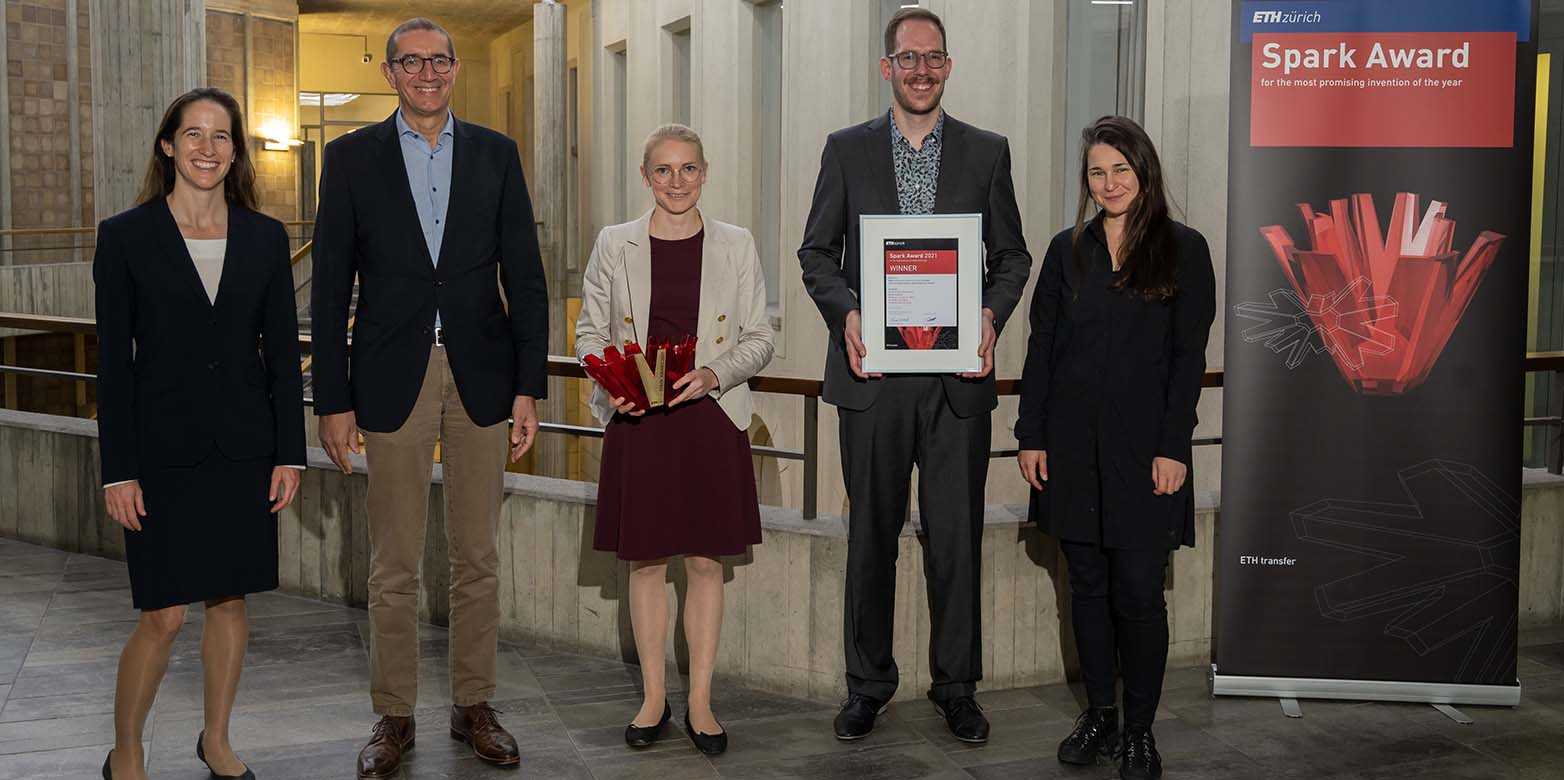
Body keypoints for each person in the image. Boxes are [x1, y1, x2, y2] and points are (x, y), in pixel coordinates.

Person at [308, 17, 548, 778]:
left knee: (477, 555)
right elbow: (330, 284)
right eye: (411, 62)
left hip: (482, 371)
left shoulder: (499, 155)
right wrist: (331, 399)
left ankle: (475, 704)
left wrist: (528, 386)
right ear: (389, 73)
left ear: (454, 69)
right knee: (393, 561)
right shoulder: (350, 159)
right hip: (389, 375)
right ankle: (395, 715)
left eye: (439, 60)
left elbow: (529, 278)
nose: (427, 73)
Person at [797, 7, 1031, 744]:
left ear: (948, 67)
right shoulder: (846, 149)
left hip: (958, 379)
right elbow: (816, 254)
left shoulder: (987, 152)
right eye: (907, 58)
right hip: (873, 377)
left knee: (957, 538)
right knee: (871, 537)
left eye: (932, 58)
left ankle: (957, 687)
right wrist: (850, 314)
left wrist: (991, 317)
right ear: (886, 67)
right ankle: (868, 685)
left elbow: (1013, 257)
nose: (920, 70)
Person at [94, 87, 305, 780]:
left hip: (243, 452)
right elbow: (113, 368)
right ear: (168, 145)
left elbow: (280, 354)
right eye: (193, 134)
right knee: (163, 616)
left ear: (236, 151)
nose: (207, 147)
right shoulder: (125, 236)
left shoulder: (265, 237)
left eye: (221, 136)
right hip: (158, 454)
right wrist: (117, 469)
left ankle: (216, 739)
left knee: (230, 603)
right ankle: (127, 750)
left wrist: (288, 453)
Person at [1015, 116, 1216, 780]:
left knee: (1138, 592)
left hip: (1145, 455)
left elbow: (1187, 361)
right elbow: (1042, 348)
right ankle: (1099, 712)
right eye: (1097, 172)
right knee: (1088, 589)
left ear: (1144, 173)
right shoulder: (1066, 250)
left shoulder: (1185, 249)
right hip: (1070, 452)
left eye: (1120, 170)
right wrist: (1031, 437)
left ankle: (1138, 731)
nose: (1108, 183)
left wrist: (1172, 449)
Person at [576, 124, 774, 756]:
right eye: (664, 170)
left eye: (688, 169)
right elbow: (587, 335)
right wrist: (613, 391)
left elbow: (760, 336)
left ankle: (701, 703)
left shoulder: (737, 245)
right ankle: (654, 698)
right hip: (641, 420)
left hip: (710, 416)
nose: (677, 181)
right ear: (646, 177)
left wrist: (717, 372)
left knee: (706, 563)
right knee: (646, 562)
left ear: (705, 173)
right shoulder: (614, 243)